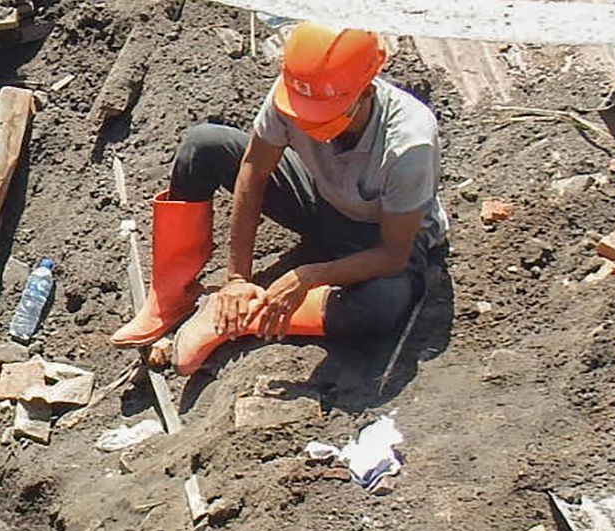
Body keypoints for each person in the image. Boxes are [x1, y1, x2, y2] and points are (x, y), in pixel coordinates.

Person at [111, 22, 443, 371]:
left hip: (380, 236)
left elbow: (392, 254)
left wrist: (309, 276)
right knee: (204, 145)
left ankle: (242, 318)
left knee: (383, 303)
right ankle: (171, 296)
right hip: (322, 200)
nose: (307, 124)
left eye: (323, 117)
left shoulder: (408, 144)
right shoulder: (298, 92)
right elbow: (254, 172)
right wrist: (237, 278)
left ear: (365, 92)